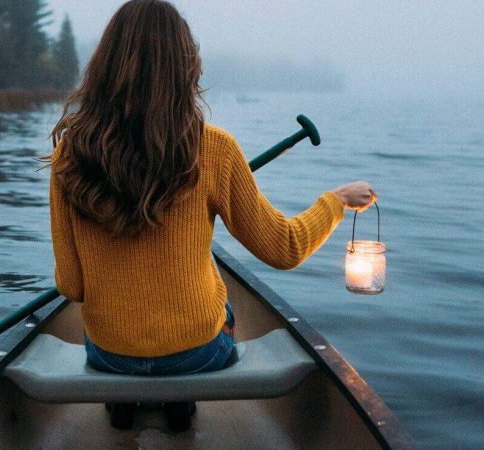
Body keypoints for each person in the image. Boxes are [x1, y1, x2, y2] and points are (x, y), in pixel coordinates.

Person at [46, 0, 376, 432]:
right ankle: (181, 405)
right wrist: (336, 200)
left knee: (124, 333)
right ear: (186, 69)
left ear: (105, 67)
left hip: (109, 353)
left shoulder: (69, 155)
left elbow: (71, 285)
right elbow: (284, 248)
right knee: (221, 300)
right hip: (196, 352)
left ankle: (122, 403)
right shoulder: (214, 149)